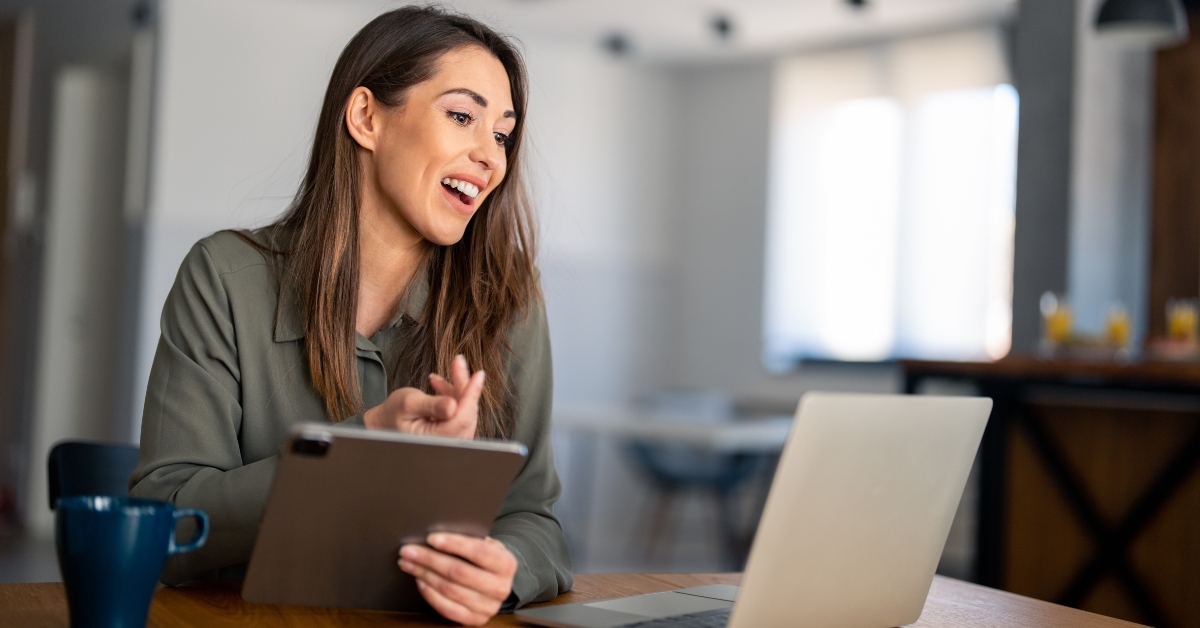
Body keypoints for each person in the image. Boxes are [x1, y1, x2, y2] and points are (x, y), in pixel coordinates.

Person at [129, 6, 572, 625]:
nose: (491, 157)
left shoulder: (509, 297)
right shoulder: (224, 278)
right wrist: (360, 449)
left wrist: (506, 568)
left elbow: (534, 519)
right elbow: (163, 525)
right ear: (366, 117)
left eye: (501, 134)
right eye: (462, 116)